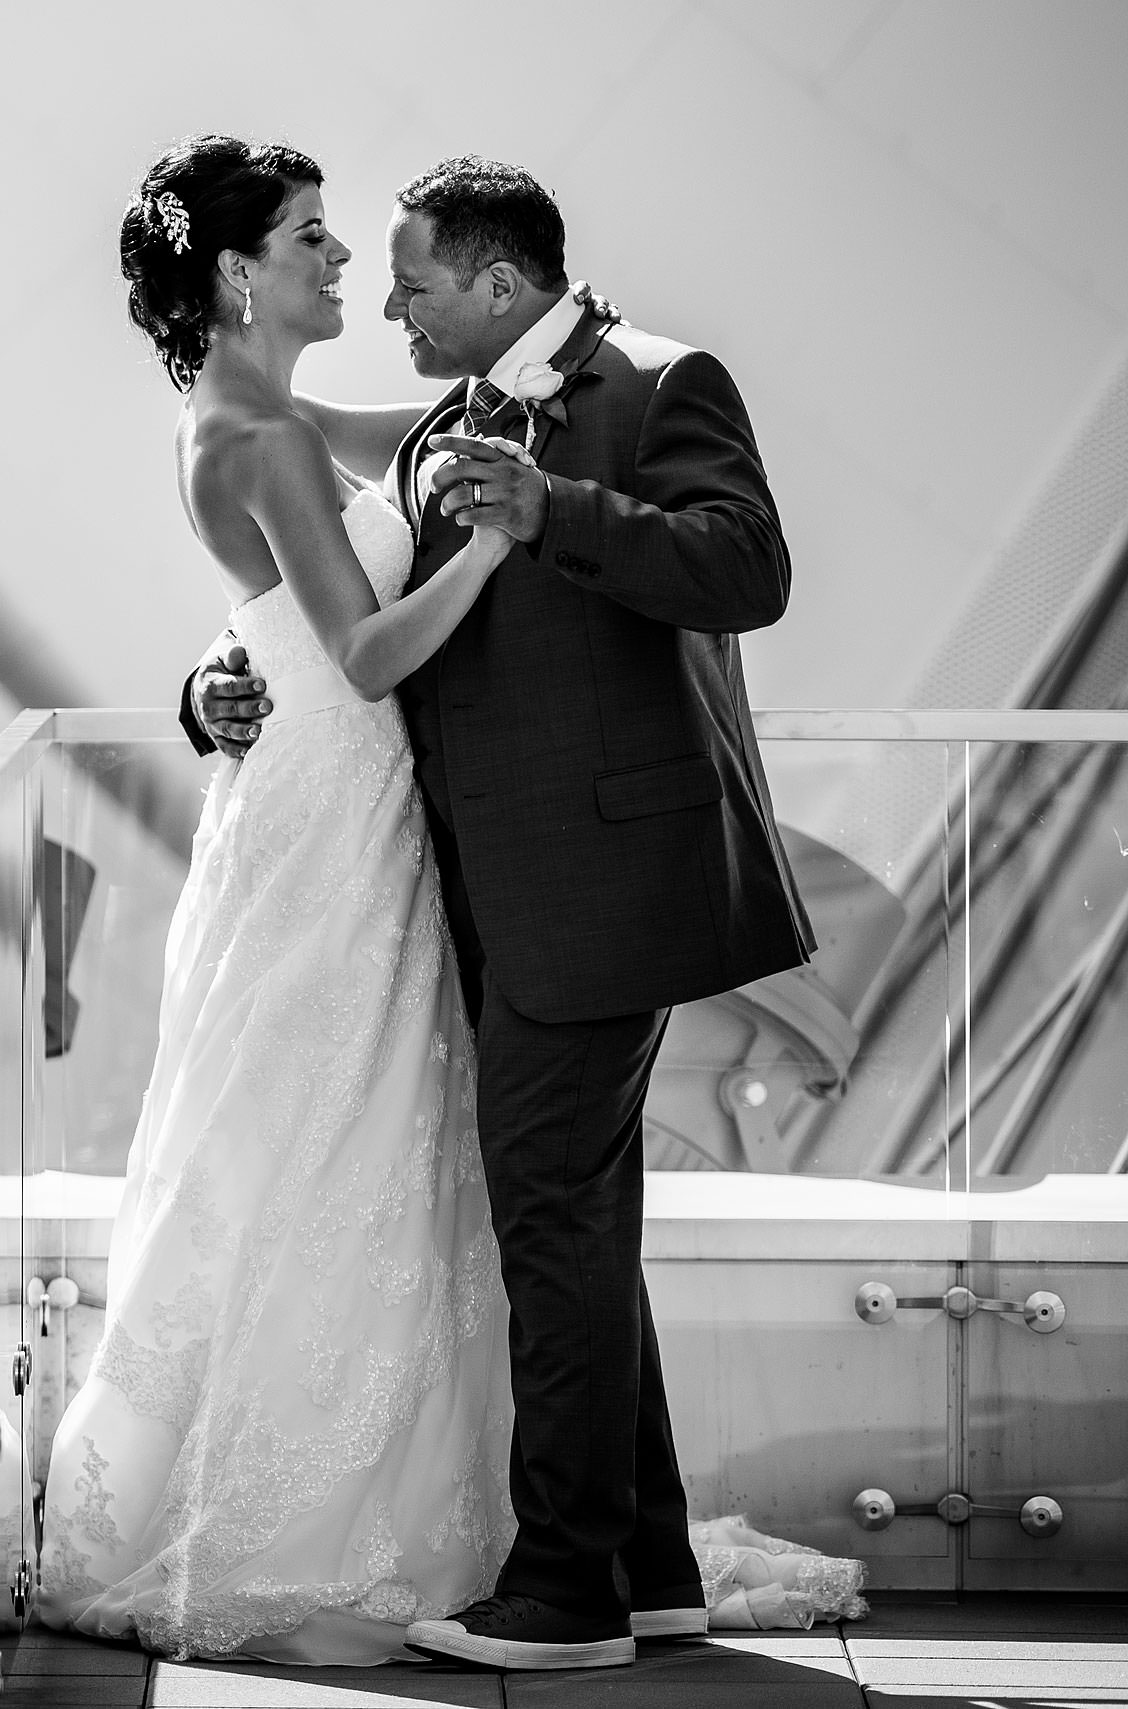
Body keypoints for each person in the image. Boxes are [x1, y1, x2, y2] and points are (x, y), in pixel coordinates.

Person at [179, 154, 814, 1670]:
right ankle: (642, 1567)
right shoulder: (443, 418)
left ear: (499, 282)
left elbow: (751, 570)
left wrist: (560, 511)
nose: (385, 300)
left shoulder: (660, 382)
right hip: (458, 890)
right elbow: (315, 593)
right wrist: (210, 694)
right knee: (574, 1224)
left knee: (548, 1222)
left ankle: (567, 1594)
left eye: (410, 281)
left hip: (603, 889)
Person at [37, 135, 516, 1668]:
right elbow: (368, 655)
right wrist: (500, 542)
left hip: (315, 792)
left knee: (327, 1132)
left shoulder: (254, 412)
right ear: (240, 270)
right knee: (329, 1128)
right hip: (333, 810)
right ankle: (301, 1518)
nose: (339, 259)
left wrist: (519, 395)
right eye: (312, 236)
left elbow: (413, 423)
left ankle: (350, 1483)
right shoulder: (260, 441)